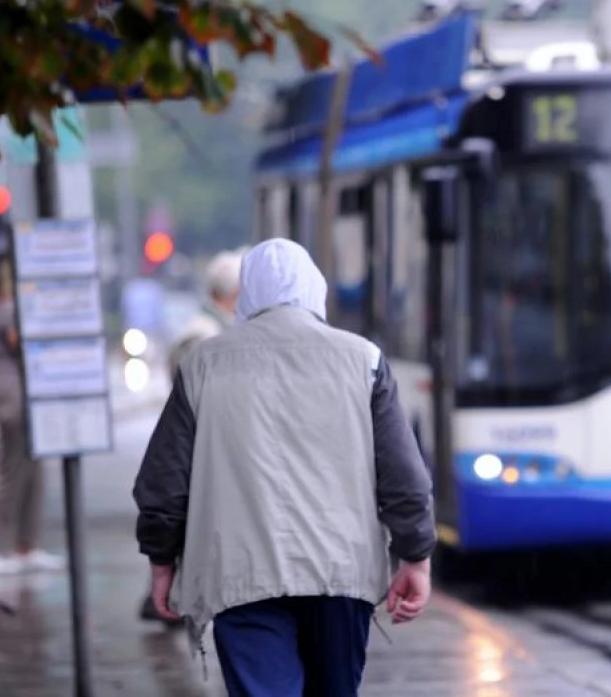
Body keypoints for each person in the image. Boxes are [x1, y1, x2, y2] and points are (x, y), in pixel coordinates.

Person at [133, 238, 435, 696]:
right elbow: (403, 476)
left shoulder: (202, 365)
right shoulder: (364, 361)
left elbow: (164, 484)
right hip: (341, 575)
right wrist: (416, 557)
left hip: (242, 577)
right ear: (316, 288)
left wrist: (162, 563)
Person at [139, 249, 243, 626]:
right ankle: (168, 596)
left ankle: (170, 594)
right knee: (186, 522)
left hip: (203, 448)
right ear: (231, 294)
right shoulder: (203, 336)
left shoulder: (210, 331)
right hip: (200, 449)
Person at [0, 262, 65, 574]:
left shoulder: (5, 308)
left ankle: (26, 543)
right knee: (12, 470)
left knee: (33, 469)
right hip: (12, 395)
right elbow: (22, 344)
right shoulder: (6, 310)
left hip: (22, 394)